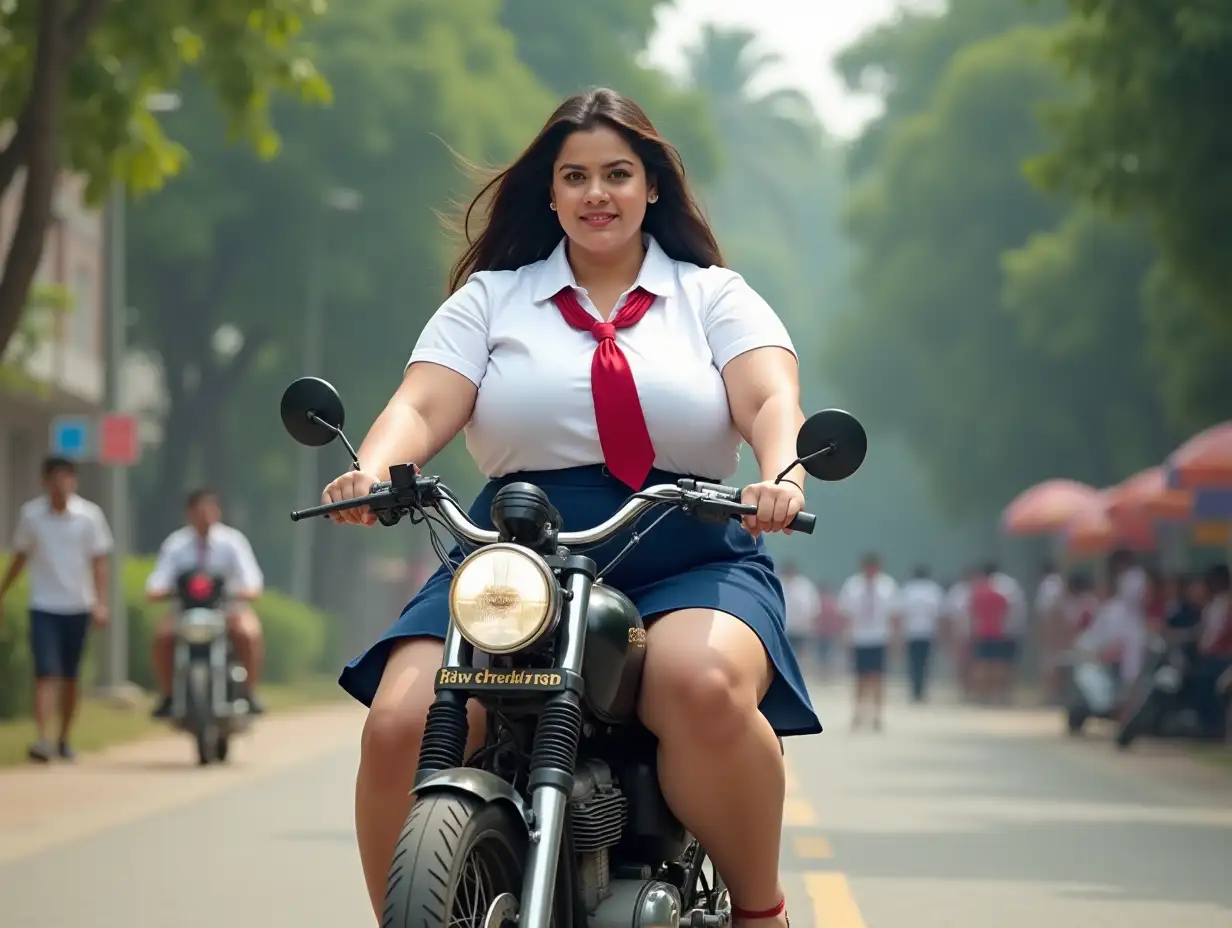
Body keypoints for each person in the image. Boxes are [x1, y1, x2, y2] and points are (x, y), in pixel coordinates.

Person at [321, 88, 813, 926]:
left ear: (652, 186)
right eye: (576, 176)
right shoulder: (490, 302)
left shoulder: (715, 297)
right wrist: (371, 469)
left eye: (618, 174)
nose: (597, 194)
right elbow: (420, 408)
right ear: (549, 195)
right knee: (401, 721)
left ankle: (761, 913)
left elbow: (771, 400)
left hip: (684, 547)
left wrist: (784, 475)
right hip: (513, 557)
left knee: (698, 684)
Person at [0, 456, 112, 762]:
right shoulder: (32, 516)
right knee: (45, 673)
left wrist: (101, 603)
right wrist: (2, 592)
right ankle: (42, 739)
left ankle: (64, 738)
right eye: (55, 479)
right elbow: (20, 556)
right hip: (44, 605)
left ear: (74, 481)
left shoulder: (89, 516)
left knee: (70, 677)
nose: (61, 485)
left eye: (67, 479)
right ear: (45, 482)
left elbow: (99, 562)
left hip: (78, 604)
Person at [146, 489, 266, 717]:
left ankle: (249, 693)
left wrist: (245, 591)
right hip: (185, 612)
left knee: (249, 634)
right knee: (162, 636)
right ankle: (168, 695)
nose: (205, 515)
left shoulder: (233, 542)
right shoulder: (176, 545)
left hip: (227, 610)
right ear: (189, 513)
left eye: (210, 509)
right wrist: (159, 590)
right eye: (199, 510)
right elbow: (159, 579)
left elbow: (251, 580)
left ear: (218, 511)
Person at [836, 553, 898, 730]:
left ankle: (877, 715)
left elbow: (894, 615)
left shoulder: (888, 586)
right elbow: (845, 614)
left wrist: (895, 638)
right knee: (859, 679)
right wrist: (843, 636)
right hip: (859, 637)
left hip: (879, 637)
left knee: (878, 679)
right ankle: (858, 713)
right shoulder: (852, 586)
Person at [966, 562, 1026, 704]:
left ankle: (983, 695)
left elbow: (972, 614)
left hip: (981, 632)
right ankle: (1000, 694)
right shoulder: (1001, 596)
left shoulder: (977, 593)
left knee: (981, 664)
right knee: (1000, 664)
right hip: (999, 632)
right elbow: (1007, 614)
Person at [896, 564, 944, 703]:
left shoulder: (907, 589)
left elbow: (901, 613)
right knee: (925, 663)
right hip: (928, 632)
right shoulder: (934, 590)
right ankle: (921, 690)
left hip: (911, 632)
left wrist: (899, 634)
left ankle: (915, 689)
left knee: (913, 663)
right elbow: (939, 614)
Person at [1195, 563, 1231, 739]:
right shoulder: (1212, 605)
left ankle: (1214, 727)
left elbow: (1221, 634)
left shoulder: (1226, 603)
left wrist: (1209, 648)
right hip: (1210, 656)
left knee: (1203, 681)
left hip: (1221, 658)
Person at [1034, 560, 1067, 703]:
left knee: (1050, 663)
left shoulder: (1050, 584)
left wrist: (1048, 632)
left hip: (1052, 629)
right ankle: (1053, 694)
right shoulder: (1056, 583)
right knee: (1053, 662)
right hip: (1056, 629)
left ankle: (1051, 695)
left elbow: (1050, 610)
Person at [781, 562, 821, 663]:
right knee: (784, 656)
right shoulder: (779, 584)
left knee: (799, 658)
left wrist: (811, 624)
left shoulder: (804, 586)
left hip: (801, 629)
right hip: (784, 629)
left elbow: (813, 606)